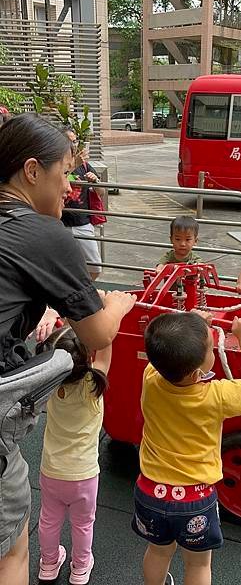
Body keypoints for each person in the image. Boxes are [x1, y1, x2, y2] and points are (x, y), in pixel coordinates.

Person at [0, 113, 136, 585]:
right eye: (65, 173)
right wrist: (117, 304)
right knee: (13, 548)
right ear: (32, 171)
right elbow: (98, 335)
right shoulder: (42, 233)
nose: (71, 189)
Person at [132, 311, 241, 585]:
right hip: (195, 499)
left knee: (157, 551)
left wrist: (194, 322)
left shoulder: (151, 377)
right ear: (198, 373)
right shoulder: (216, 395)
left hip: (150, 491)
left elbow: (166, 350)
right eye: (210, 347)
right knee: (199, 564)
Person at [36, 327, 111, 584]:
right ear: (87, 359)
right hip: (84, 476)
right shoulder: (93, 386)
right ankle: (80, 568)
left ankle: (48, 563)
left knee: (48, 519)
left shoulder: (49, 387)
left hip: (52, 471)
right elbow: (105, 339)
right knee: (83, 524)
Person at [61, 127, 104, 281]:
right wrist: (72, 165)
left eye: (75, 141)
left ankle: (83, 292)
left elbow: (101, 192)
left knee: (95, 267)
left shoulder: (84, 165)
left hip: (82, 222)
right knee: (63, 266)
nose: (73, 145)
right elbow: (54, 181)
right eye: (69, 142)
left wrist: (95, 181)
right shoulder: (57, 165)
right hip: (61, 224)